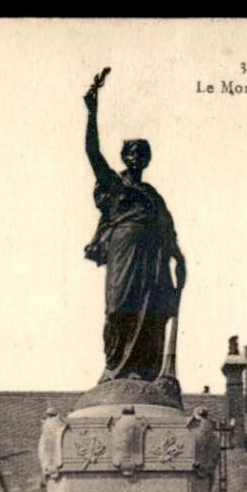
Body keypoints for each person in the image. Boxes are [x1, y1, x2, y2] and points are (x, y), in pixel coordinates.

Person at [83, 76, 186, 383]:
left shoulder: (153, 196)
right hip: (123, 250)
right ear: (125, 157)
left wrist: (179, 258)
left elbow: (168, 232)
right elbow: (93, 154)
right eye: (132, 154)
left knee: (150, 316)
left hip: (151, 262)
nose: (136, 159)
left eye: (142, 155)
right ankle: (114, 367)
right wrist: (92, 113)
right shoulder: (115, 186)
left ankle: (141, 372)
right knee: (117, 309)